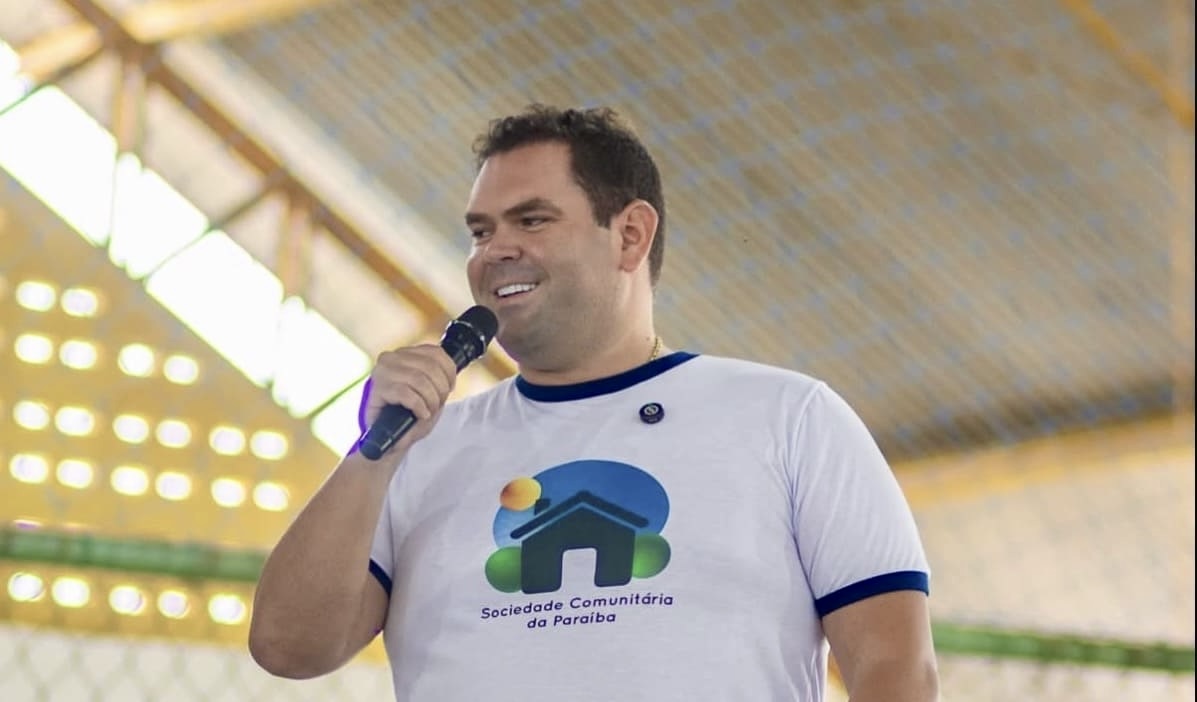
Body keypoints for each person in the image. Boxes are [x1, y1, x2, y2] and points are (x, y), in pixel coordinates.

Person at [249, 104, 939, 701]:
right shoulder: (420, 450)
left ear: (631, 235)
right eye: (481, 231)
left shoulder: (789, 418)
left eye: (532, 220)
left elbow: (895, 669)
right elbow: (286, 647)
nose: (496, 251)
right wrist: (372, 457)